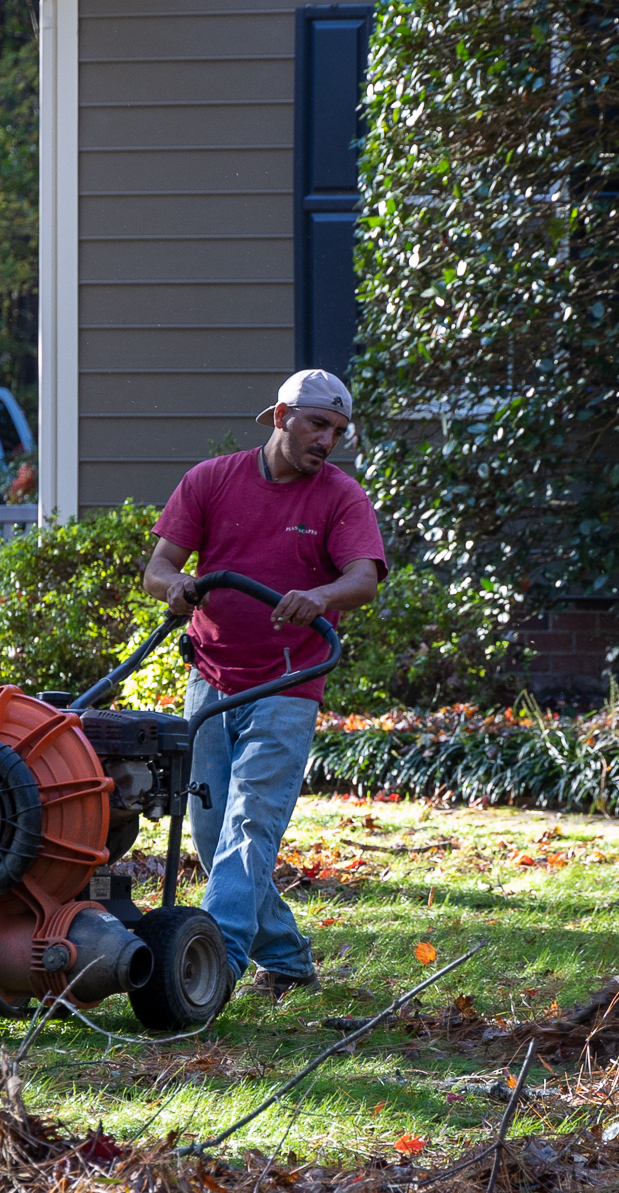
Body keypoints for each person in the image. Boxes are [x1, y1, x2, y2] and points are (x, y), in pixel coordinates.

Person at [144, 369, 386, 1001]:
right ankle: (288, 958)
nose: (328, 440)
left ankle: (214, 967)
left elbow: (363, 578)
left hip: (287, 683)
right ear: (280, 416)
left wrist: (321, 594)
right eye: (317, 425)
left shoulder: (340, 497)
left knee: (249, 825)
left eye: (338, 430)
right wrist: (174, 586)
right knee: (211, 829)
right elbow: (159, 566)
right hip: (211, 677)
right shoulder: (211, 480)